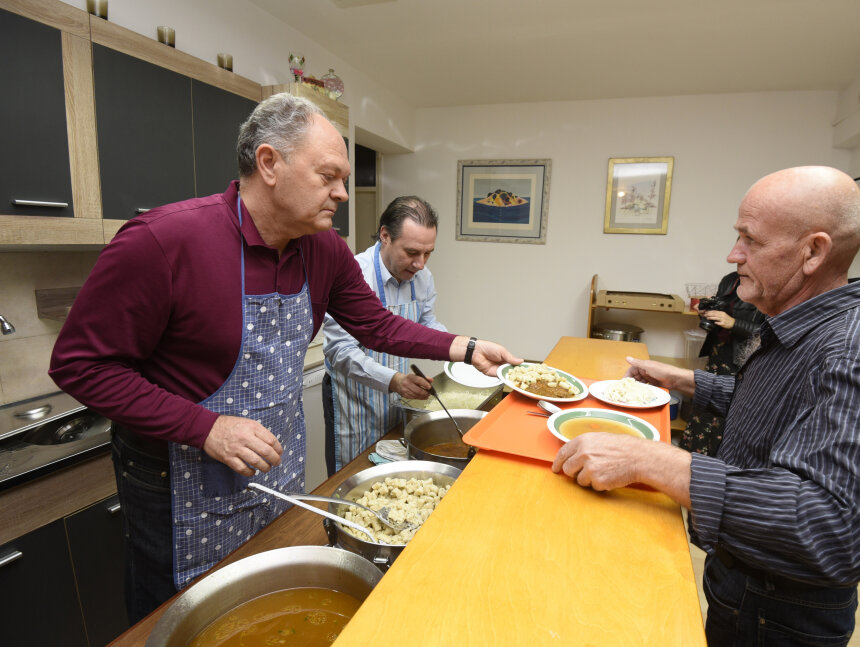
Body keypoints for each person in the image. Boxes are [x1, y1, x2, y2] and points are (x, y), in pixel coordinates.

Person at [48, 92, 521, 623]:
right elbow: (80, 366)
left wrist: (468, 348)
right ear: (269, 163)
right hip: (178, 477)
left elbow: (376, 324)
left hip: (276, 461)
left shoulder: (323, 248)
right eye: (329, 176)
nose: (343, 193)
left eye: (344, 179)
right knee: (183, 616)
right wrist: (206, 427)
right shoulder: (164, 241)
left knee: (269, 600)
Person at [552, 166, 860, 646]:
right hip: (744, 590)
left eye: (751, 239)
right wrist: (686, 380)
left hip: (778, 615)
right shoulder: (809, 326)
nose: (734, 254)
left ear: (813, 252)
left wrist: (653, 460)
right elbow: (781, 413)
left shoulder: (858, 353)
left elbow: (833, 528)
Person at [322, 195, 445, 473]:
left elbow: (427, 324)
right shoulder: (354, 274)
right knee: (352, 476)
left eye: (428, 253)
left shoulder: (422, 278)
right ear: (385, 236)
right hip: (352, 398)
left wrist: (462, 351)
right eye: (412, 252)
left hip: (396, 393)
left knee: (391, 469)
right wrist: (393, 380)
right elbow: (340, 351)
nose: (420, 264)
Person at [683, 271, 764, 455]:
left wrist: (735, 323)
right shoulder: (730, 280)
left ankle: (716, 462)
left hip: (744, 360)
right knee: (704, 406)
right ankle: (692, 456)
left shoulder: (770, 284)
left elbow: (771, 332)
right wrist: (707, 313)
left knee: (728, 415)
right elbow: (721, 314)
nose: (738, 259)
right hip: (718, 353)